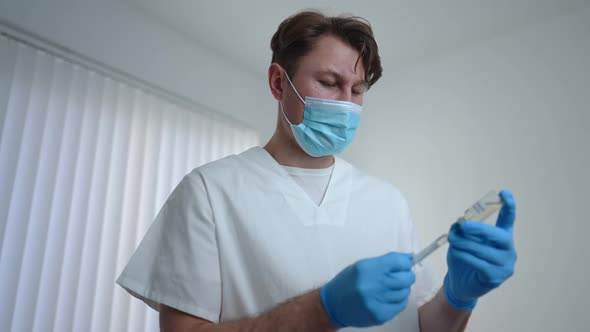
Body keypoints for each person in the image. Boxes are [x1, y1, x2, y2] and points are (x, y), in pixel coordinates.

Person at [117, 10, 517, 332]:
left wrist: (458, 298)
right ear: (279, 83)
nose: (345, 103)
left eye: (357, 90)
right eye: (329, 82)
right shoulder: (210, 191)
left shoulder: (387, 200)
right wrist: (321, 310)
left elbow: (422, 326)